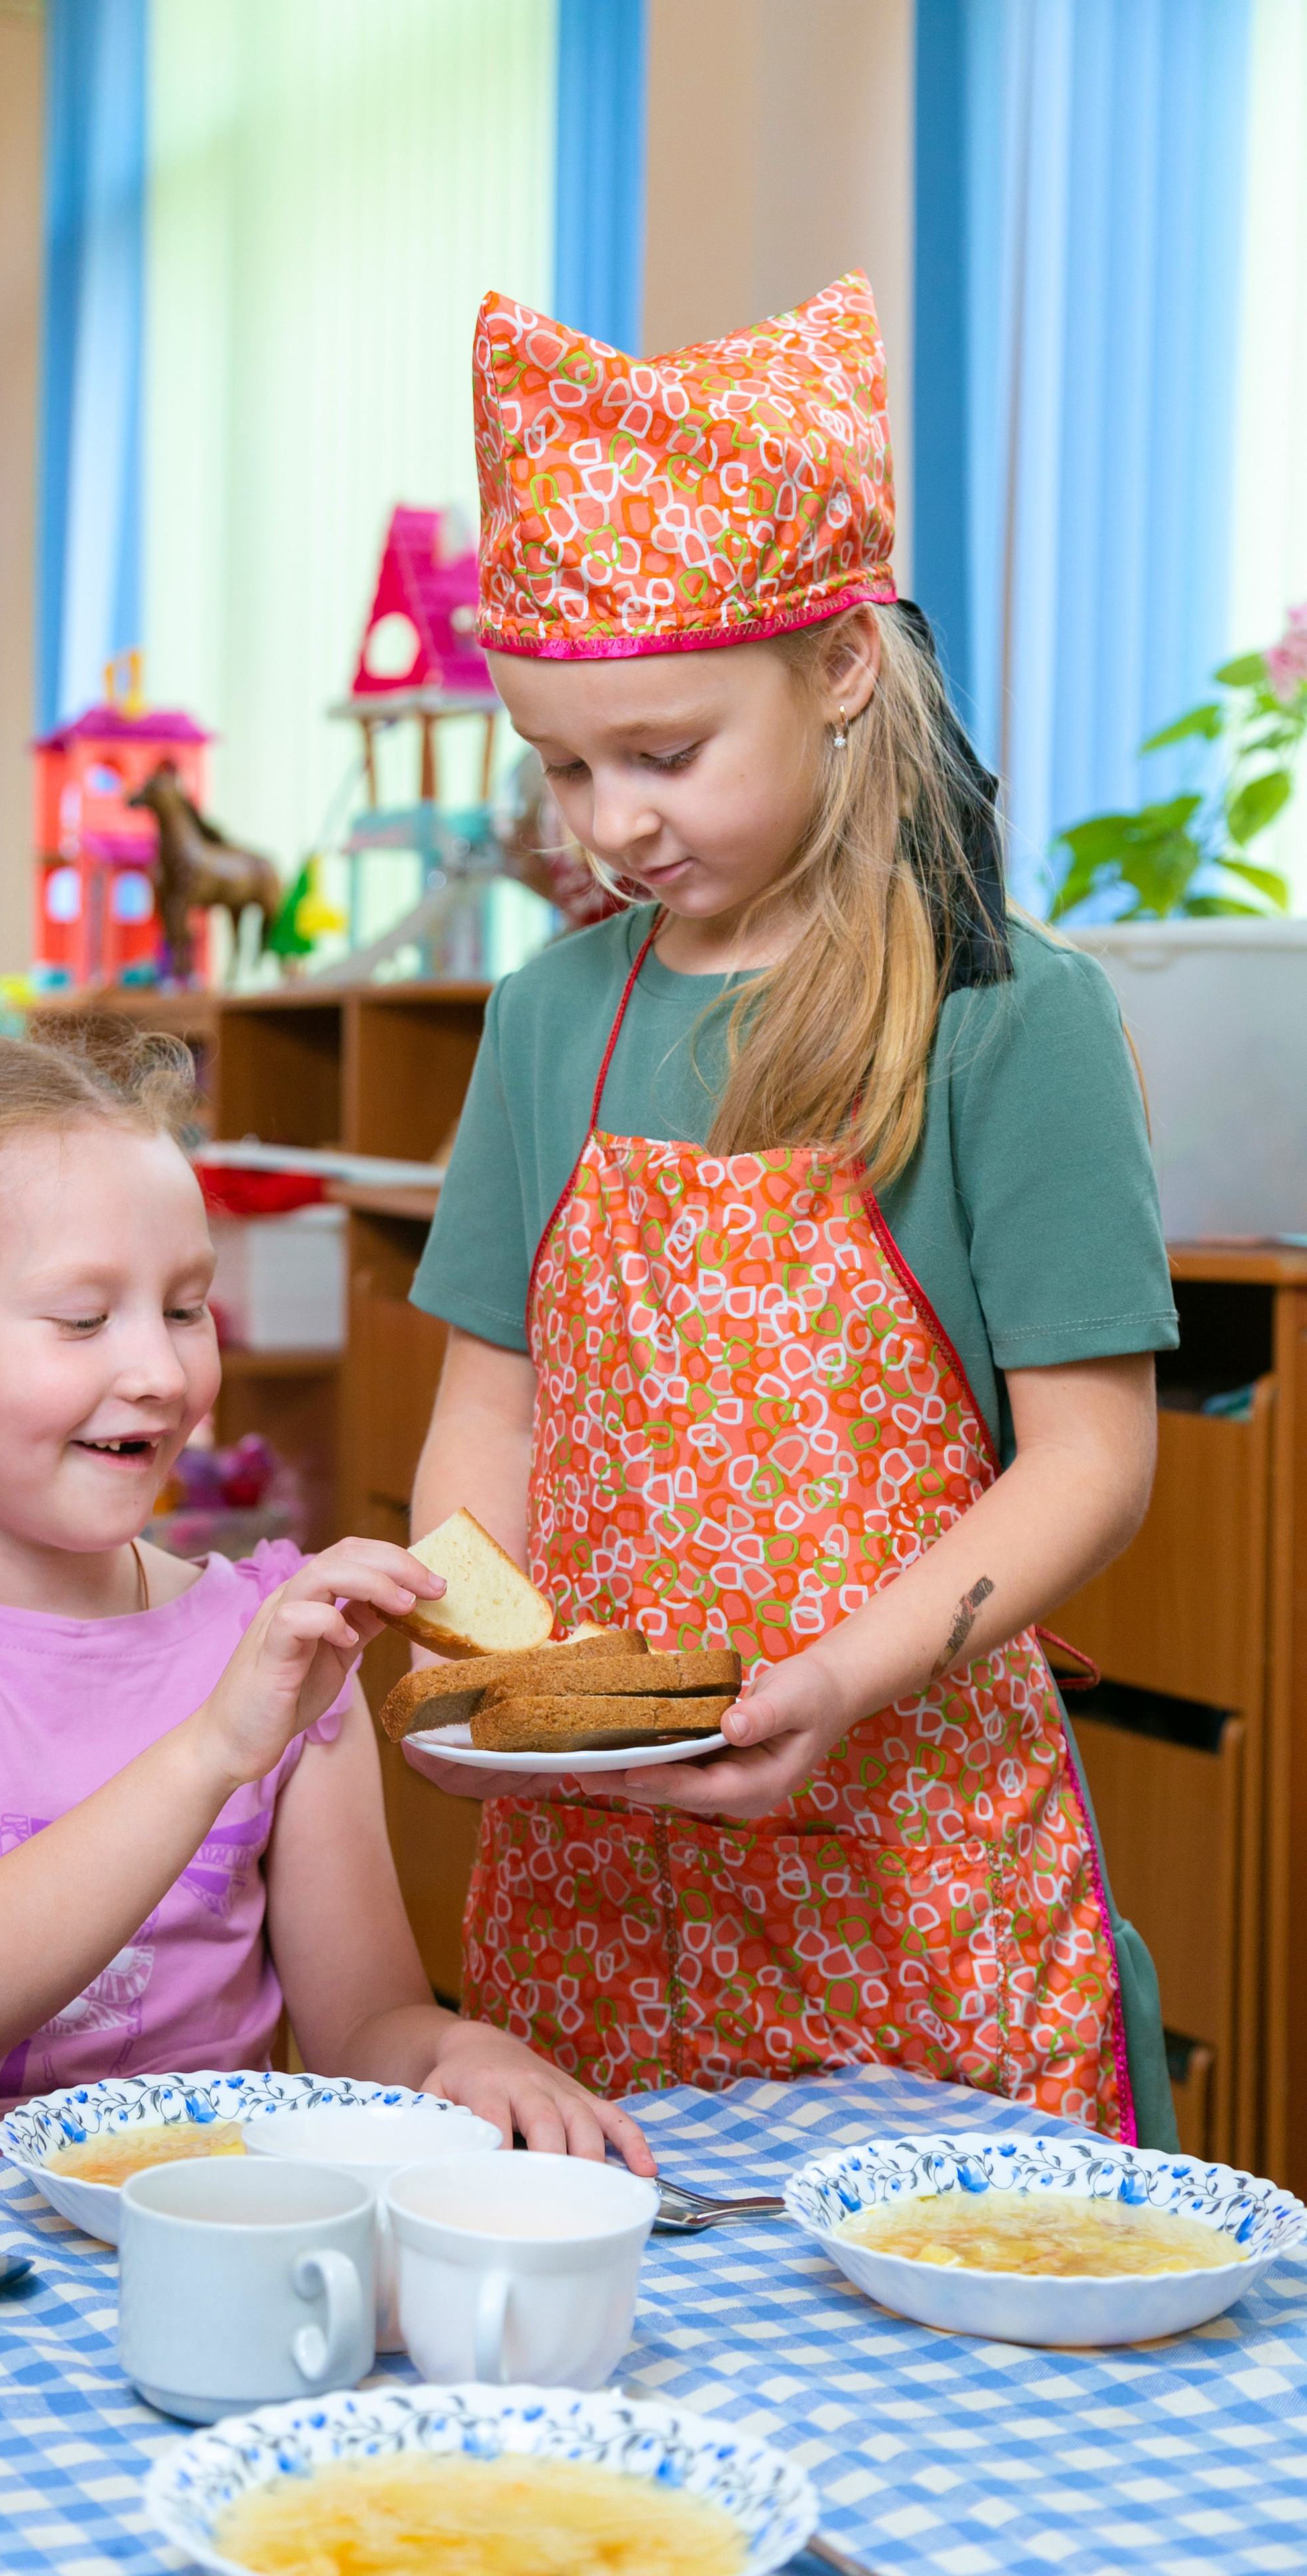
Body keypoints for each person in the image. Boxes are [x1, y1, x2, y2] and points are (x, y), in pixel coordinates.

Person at [407, 272, 1179, 2147]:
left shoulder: (1010, 1018)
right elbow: (485, 1416)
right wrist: (480, 1654)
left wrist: (841, 1677)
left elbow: (1091, 1459)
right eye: (566, 766)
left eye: (664, 756)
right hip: (598, 1883)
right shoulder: (544, 1025)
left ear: (838, 669)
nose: (609, 826)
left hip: (919, 1875)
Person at [0, 1036, 652, 2183]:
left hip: (207, 2251)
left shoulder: (276, 1650)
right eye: (84, 1320)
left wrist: (459, 2048)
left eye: (186, 1309)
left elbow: (365, 2032)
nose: (157, 1370)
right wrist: (212, 1750)